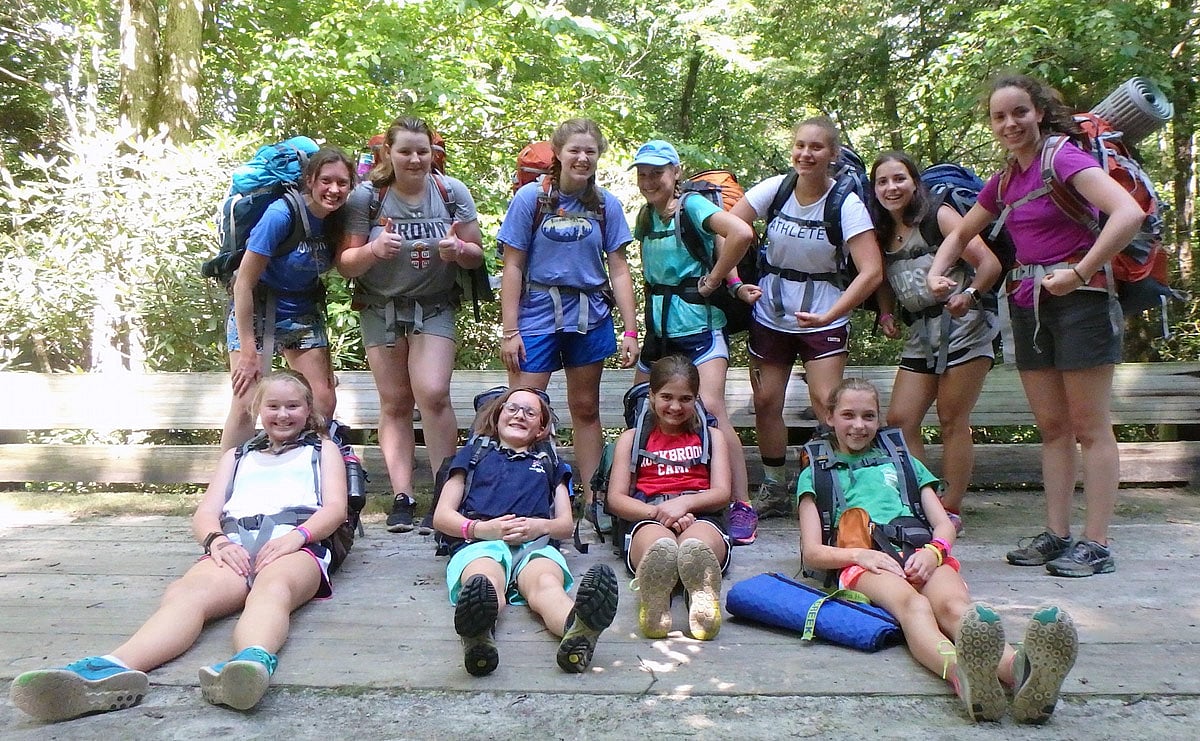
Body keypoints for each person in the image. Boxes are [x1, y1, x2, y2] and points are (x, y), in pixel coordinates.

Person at [9, 371, 348, 721]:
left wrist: (296, 538)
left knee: (272, 588)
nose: (282, 415)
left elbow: (336, 509)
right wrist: (216, 540)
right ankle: (110, 670)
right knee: (187, 593)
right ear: (258, 409)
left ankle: (249, 663)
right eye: (273, 406)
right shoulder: (237, 456)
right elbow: (206, 512)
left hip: (295, 543)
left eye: (292, 406)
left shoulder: (323, 450)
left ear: (308, 410)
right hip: (232, 542)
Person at [927, 74, 1144, 577]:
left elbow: (1126, 213)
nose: (1010, 123)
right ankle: (1057, 534)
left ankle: (1097, 542)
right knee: (1052, 427)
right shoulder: (1005, 179)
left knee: (1090, 426)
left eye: (1019, 112)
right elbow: (961, 230)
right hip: (1026, 302)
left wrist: (1083, 270)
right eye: (999, 116)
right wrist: (939, 272)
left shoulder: (1062, 157)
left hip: (1081, 300)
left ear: (1039, 112)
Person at [797, 378, 1079, 724]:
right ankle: (964, 676)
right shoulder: (816, 472)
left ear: (880, 419)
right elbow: (812, 551)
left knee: (955, 607)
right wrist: (860, 556)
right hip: (867, 561)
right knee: (914, 606)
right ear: (830, 418)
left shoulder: (903, 463)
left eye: (869, 416)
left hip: (921, 551)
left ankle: (1020, 672)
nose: (859, 425)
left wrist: (933, 552)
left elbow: (944, 523)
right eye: (848, 415)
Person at [729, 116, 883, 520]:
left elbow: (871, 270)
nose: (805, 154)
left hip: (824, 315)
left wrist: (832, 313)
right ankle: (776, 486)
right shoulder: (776, 190)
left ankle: (840, 489)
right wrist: (733, 280)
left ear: (832, 154)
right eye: (800, 145)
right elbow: (729, 227)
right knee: (765, 400)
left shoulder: (845, 203)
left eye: (816, 147)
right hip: (772, 311)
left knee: (827, 405)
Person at [337, 116, 485, 534]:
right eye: (405, 151)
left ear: (432, 152)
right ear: (388, 153)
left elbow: (477, 253)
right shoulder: (366, 198)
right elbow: (346, 264)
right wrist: (373, 250)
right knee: (396, 401)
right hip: (379, 306)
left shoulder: (451, 192)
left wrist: (459, 249)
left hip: (435, 303)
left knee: (434, 393)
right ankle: (402, 496)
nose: (415, 159)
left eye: (422, 150)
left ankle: (444, 493)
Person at [496, 118, 640, 533]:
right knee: (523, 407)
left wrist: (630, 331)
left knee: (585, 408)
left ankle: (594, 497)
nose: (582, 158)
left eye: (590, 151)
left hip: (589, 315)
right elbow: (513, 264)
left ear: (598, 157)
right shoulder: (531, 199)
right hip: (538, 313)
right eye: (574, 150)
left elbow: (620, 269)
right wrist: (510, 330)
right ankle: (521, 492)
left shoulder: (605, 204)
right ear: (558, 152)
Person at [432, 387, 619, 676]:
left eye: (530, 413)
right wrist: (482, 529)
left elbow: (565, 525)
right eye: (512, 408)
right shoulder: (471, 456)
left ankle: (577, 629)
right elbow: (442, 516)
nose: (520, 415)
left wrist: (539, 526)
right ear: (497, 415)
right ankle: (479, 634)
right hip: (480, 543)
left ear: (542, 428)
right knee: (485, 580)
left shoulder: (551, 464)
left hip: (536, 545)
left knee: (546, 584)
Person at [628, 139, 760, 545]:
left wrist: (718, 279)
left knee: (714, 411)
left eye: (658, 172)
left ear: (676, 173)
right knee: (639, 405)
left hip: (700, 328)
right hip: (659, 332)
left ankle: (741, 504)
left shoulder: (694, 207)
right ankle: (645, 494)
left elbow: (740, 232)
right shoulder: (646, 217)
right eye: (643, 173)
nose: (650, 180)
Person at [867, 151, 1002, 533]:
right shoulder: (879, 230)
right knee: (900, 420)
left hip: (966, 328)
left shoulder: (938, 215)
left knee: (951, 420)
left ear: (915, 182)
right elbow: (882, 277)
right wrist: (887, 313)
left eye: (899, 179)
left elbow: (989, 263)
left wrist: (970, 295)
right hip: (919, 336)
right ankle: (920, 498)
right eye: (882, 181)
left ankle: (952, 506)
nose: (891, 188)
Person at [220, 147, 354, 451]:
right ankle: (225, 485)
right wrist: (249, 351)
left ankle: (304, 469)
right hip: (258, 311)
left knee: (322, 399)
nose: (334, 190)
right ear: (310, 180)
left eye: (342, 183)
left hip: (302, 310)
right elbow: (243, 284)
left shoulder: (339, 219)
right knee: (246, 404)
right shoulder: (281, 215)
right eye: (326, 181)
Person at [604, 355, 732, 641]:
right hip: (648, 514)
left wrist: (684, 504)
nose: (675, 406)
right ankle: (655, 603)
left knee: (695, 545)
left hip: (699, 513)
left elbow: (722, 492)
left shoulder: (712, 437)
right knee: (659, 546)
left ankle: (702, 598)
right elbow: (616, 499)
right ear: (651, 396)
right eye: (666, 397)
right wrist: (662, 512)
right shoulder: (632, 438)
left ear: (697, 399)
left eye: (685, 398)